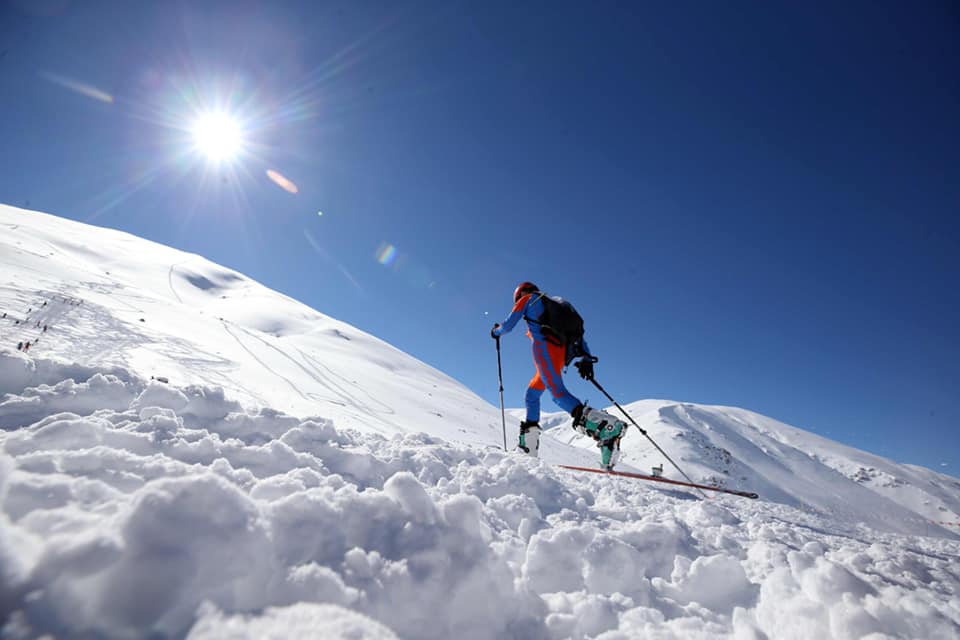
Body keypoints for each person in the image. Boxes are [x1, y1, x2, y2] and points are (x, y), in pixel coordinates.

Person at [491, 281, 626, 470]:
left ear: (520, 294)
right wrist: (586, 360)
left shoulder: (528, 299)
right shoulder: (556, 305)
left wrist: (495, 331)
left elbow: (507, 326)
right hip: (559, 355)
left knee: (557, 393)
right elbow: (579, 337)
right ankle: (528, 449)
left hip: (545, 351)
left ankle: (607, 428)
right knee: (532, 395)